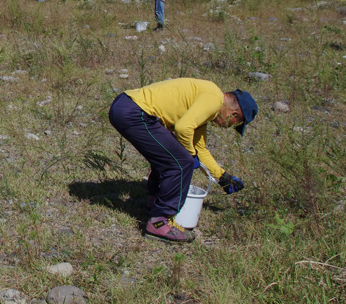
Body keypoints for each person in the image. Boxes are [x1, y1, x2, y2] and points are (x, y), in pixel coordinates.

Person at [108, 78, 257, 243]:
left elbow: (200, 149)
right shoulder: (214, 99)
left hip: (126, 105)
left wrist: (222, 177)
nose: (226, 127)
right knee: (180, 162)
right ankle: (159, 222)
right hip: (135, 112)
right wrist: (189, 155)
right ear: (234, 114)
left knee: (170, 153)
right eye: (233, 124)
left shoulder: (208, 101)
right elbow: (183, 128)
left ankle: (155, 200)